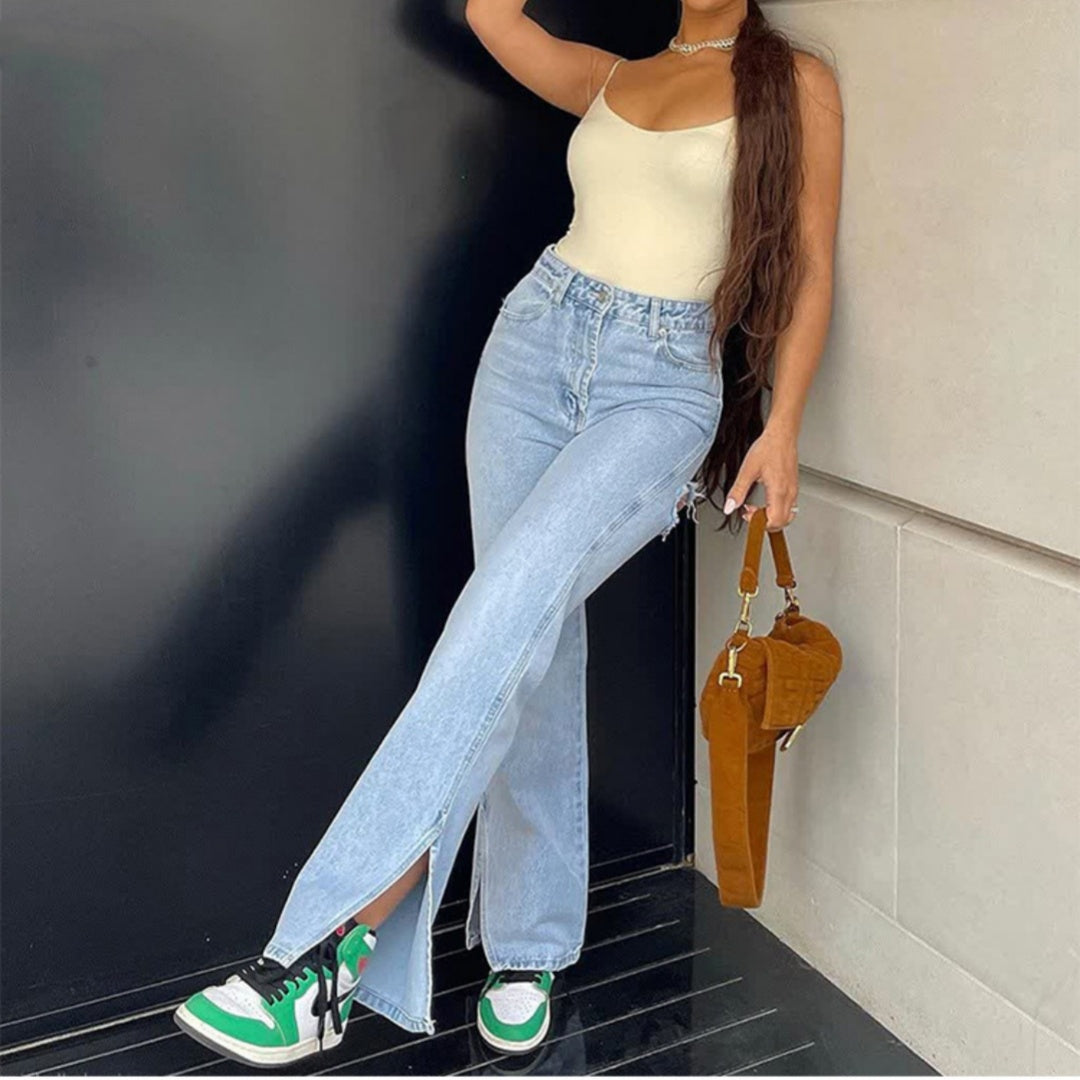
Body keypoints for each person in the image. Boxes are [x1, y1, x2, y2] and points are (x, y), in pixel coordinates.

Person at [172, 0, 843, 1067]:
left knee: (498, 613)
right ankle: (527, 947)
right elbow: (486, 14)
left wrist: (786, 425)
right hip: (532, 347)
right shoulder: (612, 78)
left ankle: (325, 952)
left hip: (661, 389)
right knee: (526, 631)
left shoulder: (793, 82)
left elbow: (808, 263)